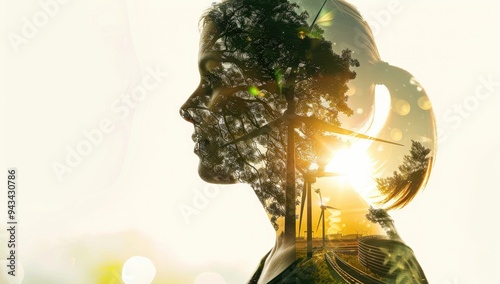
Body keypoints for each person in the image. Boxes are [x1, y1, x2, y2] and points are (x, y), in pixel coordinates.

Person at [180, 0, 436, 282]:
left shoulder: (343, 260)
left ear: (297, 95)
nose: (188, 108)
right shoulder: (299, 250)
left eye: (217, 78)